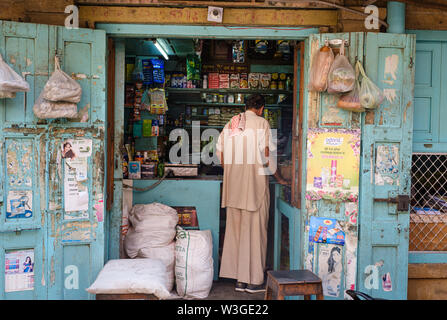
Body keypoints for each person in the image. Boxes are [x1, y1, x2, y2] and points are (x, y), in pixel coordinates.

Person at [216, 94, 289, 293]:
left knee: (237, 233)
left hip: (233, 190)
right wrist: (280, 178)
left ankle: (239, 280)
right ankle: (254, 281)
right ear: (261, 108)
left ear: (246, 106)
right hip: (254, 188)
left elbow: (220, 155)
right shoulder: (262, 123)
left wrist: (233, 170)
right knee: (255, 234)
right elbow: (268, 157)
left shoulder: (232, 122)